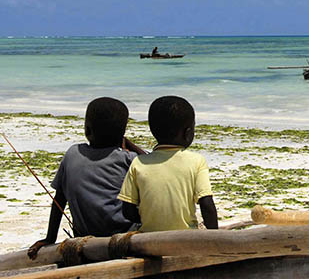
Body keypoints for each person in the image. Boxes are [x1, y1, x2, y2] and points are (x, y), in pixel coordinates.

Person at [28, 97, 144, 260]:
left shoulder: (72, 154)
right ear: (122, 132)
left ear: (88, 130)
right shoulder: (129, 159)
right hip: (126, 238)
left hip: (85, 239)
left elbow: (59, 200)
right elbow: (154, 168)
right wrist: (129, 144)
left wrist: (50, 238)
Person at [119, 96, 218, 232]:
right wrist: (214, 237)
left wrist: (150, 219)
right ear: (188, 133)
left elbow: (127, 211)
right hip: (185, 240)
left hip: (148, 241)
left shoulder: (139, 162)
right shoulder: (196, 161)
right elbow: (207, 205)